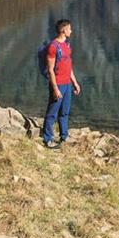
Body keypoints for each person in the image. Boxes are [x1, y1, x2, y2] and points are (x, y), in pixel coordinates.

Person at [39, 19, 80, 148]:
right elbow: (50, 70)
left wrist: (75, 82)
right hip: (58, 84)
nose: (71, 31)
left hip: (67, 84)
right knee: (52, 112)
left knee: (65, 112)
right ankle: (47, 139)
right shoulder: (53, 47)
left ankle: (64, 136)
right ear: (63, 30)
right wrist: (55, 89)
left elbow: (69, 66)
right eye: (69, 28)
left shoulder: (67, 45)